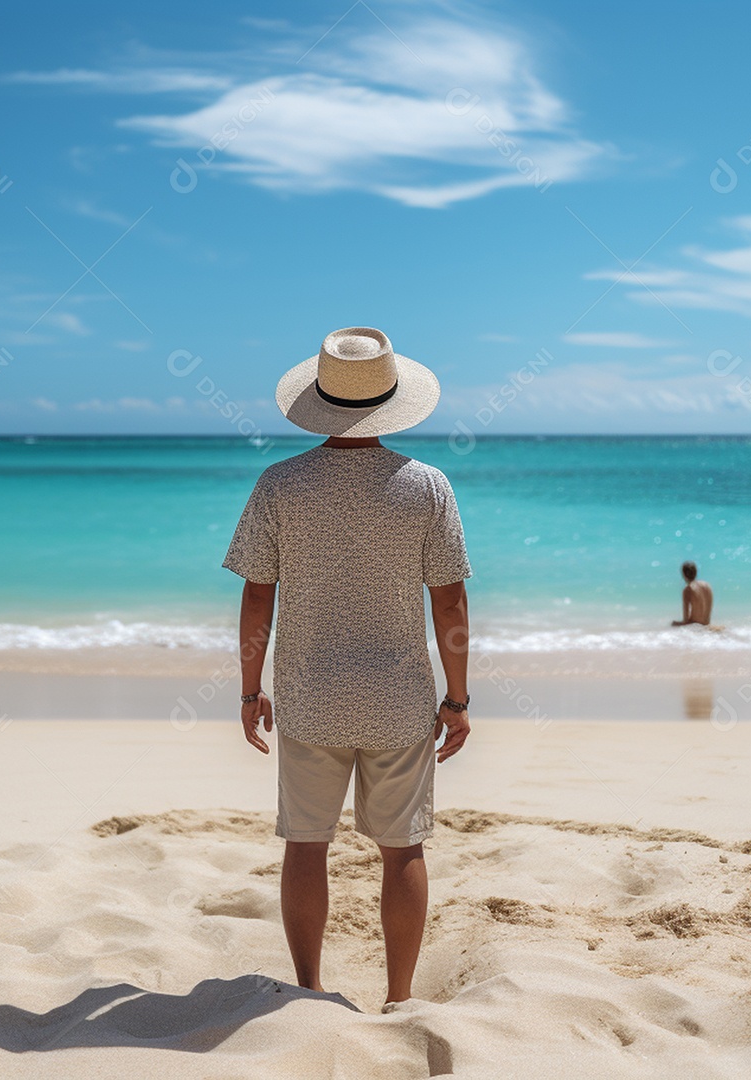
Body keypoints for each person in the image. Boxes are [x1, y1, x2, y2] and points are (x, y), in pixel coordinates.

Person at [224, 327, 472, 1007]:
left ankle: (309, 989)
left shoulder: (280, 484)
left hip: (309, 698)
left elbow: (256, 596)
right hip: (398, 700)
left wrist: (249, 690)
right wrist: (456, 700)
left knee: (306, 846)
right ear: (392, 399)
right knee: (403, 850)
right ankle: (399, 996)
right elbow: (449, 600)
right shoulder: (427, 486)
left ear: (319, 399)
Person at [671, 561, 713, 627]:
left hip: (695, 626)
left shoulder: (688, 589)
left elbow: (686, 620)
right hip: (707, 625)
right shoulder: (707, 585)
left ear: (684, 574)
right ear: (695, 572)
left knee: (672, 624)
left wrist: (674, 624)